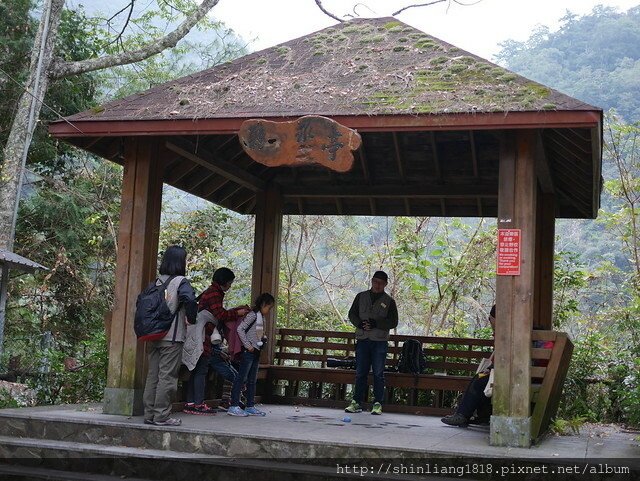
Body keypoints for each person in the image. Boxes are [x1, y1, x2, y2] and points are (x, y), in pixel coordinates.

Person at [143, 245, 197, 426]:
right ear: (180, 262)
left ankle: (150, 414)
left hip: (153, 335)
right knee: (167, 377)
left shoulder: (156, 282)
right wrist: (191, 318)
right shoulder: (181, 282)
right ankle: (162, 416)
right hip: (172, 337)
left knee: (153, 376)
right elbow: (189, 299)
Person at [345, 270, 398, 415]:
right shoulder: (360, 296)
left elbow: (393, 321)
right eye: (375, 281)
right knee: (360, 372)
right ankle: (356, 402)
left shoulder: (389, 301)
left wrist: (376, 323)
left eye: (381, 283)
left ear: (386, 284)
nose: (377, 285)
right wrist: (359, 323)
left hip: (379, 341)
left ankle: (377, 403)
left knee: (378, 373)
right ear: (371, 281)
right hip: (363, 339)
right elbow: (352, 314)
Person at [197, 267, 250, 410]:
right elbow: (220, 314)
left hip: (209, 341)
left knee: (229, 368)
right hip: (205, 339)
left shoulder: (213, 291)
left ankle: (231, 399)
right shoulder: (215, 293)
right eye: (230, 283)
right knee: (227, 371)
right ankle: (226, 401)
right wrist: (237, 313)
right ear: (224, 282)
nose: (230, 286)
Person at [441, 304, 496, 427]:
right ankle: (478, 415)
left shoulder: (505, 334)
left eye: (490, 318)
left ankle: (463, 415)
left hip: (504, 374)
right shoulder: (501, 333)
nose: (490, 321)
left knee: (479, 380)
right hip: (501, 372)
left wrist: (492, 369)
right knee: (479, 378)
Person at [228, 293, 275, 417]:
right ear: (263, 304)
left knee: (252, 380)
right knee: (241, 378)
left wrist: (263, 338)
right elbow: (240, 329)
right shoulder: (252, 315)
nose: (269, 310)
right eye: (268, 307)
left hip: (256, 351)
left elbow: (259, 332)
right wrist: (247, 345)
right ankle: (233, 405)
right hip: (248, 351)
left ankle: (250, 405)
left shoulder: (262, 317)